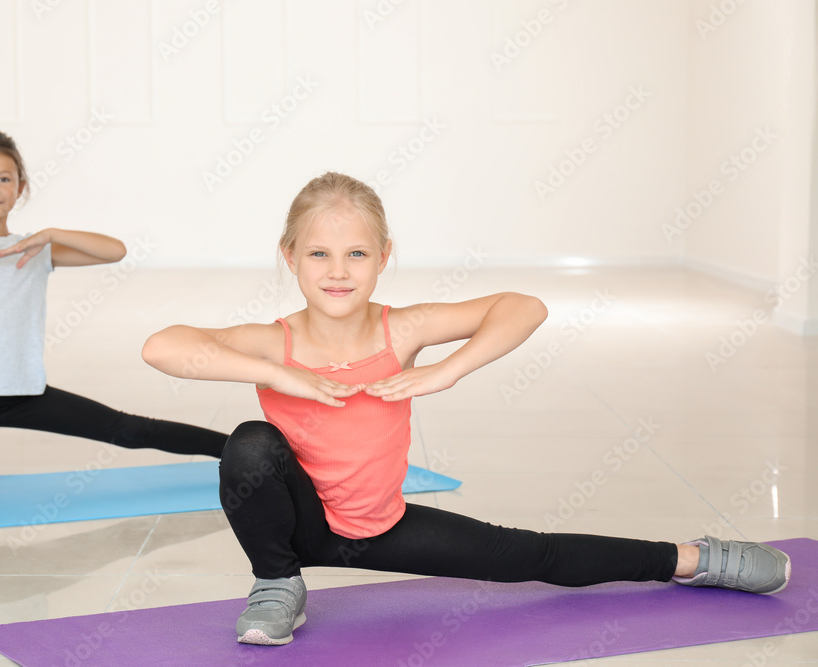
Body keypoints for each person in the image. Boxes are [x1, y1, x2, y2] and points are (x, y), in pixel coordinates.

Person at [141, 172, 791, 646]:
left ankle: (694, 557)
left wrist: (448, 369)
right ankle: (278, 583)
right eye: (319, 253)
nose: (337, 270)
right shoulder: (274, 339)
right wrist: (279, 372)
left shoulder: (404, 329)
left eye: (356, 253)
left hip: (381, 526)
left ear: (383, 257)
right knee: (250, 441)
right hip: (296, 523)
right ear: (290, 256)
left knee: (531, 556)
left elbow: (522, 306)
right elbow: (162, 346)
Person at [0, 130, 227, 495]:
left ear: (21, 187)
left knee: (129, 431)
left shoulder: (33, 251)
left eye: (4, 179)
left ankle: (244, 451)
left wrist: (51, 234)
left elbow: (116, 251)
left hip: (23, 393)